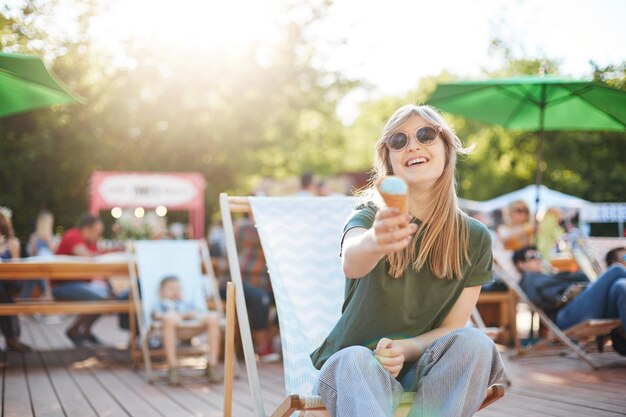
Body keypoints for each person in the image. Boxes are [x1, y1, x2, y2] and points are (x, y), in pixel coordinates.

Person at [309, 104, 504, 417]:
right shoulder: (370, 216)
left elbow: (453, 326)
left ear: (446, 148)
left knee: (475, 344)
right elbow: (352, 261)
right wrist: (376, 240)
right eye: (398, 141)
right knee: (355, 359)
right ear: (389, 159)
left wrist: (407, 348)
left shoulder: (475, 236)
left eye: (426, 135)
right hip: (355, 376)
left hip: (426, 372)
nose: (412, 144)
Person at [513, 246, 626, 355]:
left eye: (539, 255)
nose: (538, 259)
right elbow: (549, 299)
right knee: (616, 270)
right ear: (521, 264)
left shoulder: (547, 276)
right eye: (532, 257)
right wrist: (567, 293)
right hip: (566, 315)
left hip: (585, 307)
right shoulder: (528, 279)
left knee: (621, 285)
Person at [153, 275, 222, 385]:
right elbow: (156, 315)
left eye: (177, 289)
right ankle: (173, 367)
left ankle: (213, 364)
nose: (175, 292)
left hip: (193, 326)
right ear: (161, 292)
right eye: (171, 289)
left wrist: (191, 314)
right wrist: (178, 315)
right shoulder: (162, 304)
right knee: (169, 317)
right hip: (173, 328)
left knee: (213, 316)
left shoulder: (187, 302)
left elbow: (198, 313)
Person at [53, 214, 108, 347]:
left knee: (108, 297)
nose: (98, 236)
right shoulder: (73, 235)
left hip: (80, 284)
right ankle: (76, 331)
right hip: (62, 285)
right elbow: (87, 256)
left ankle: (84, 331)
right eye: (97, 232)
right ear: (86, 229)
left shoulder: (91, 242)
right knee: (101, 299)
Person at [231, 212, 280, 362]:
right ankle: (262, 346)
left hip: (265, 283)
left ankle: (266, 341)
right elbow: (247, 233)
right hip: (240, 281)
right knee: (261, 299)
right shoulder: (246, 228)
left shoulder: (271, 231)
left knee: (286, 301)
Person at [0, 207, 32, 352]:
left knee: (3, 295)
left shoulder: (12, 243)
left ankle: (12, 337)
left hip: (9, 283)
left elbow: (15, 269)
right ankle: (12, 338)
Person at [20, 210, 56, 299]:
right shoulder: (39, 236)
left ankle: (24, 301)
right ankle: (47, 297)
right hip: (41, 265)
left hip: (42, 265)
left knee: (35, 277)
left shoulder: (41, 236)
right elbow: (32, 253)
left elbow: (54, 251)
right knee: (37, 277)